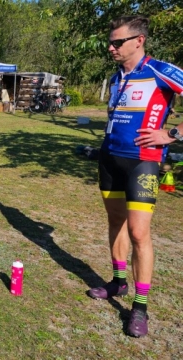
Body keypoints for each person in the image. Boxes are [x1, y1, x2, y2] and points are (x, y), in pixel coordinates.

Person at [87, 15, 183, 338]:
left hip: (143, 163)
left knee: (139, 232)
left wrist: (171, 134)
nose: (111, 48)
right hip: (109, 160)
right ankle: (118, 282)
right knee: (115, 223)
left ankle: (140, 307)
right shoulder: (116, 77)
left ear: (139, 40)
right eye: (110, 42)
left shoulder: (160, 71)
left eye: (118, 42)